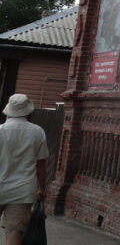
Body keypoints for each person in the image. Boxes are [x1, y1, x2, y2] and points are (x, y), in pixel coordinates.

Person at [0, 94, 48, 245]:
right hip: (22, 190)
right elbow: (41, 165)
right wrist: (42, 188)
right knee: (13, 233)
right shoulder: (38, 132)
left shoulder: (1, 130)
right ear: (28, 111)